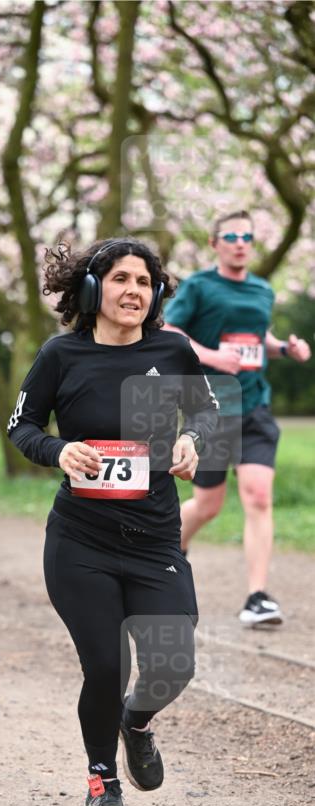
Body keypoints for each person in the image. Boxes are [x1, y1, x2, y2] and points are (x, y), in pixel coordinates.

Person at [7, 238, 218, 806]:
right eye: (121, 279)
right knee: (105, 665)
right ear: (93, 289)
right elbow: (22, 426)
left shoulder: (171, 350)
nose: (134, 291)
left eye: (145, 282)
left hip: (154, 537)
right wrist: (59, 450)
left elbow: (207, 412)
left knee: (173, 664)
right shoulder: (61, 354)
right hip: (82, 541)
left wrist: (192, 439)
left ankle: (136, 722)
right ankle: (102, 780)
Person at [163, 210, 311, 627]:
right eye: (231, 236)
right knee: (208, 505)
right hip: (211, 408)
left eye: (247, 237)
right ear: (215, 244)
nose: (240, 243)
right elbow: (170, 332)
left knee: (259, 496)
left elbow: (258, 338)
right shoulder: (199, 286)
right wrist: (212, 356)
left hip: (255, 407)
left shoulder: (262, 290)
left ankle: (257, 598)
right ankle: (169, 550)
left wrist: (286, 349)